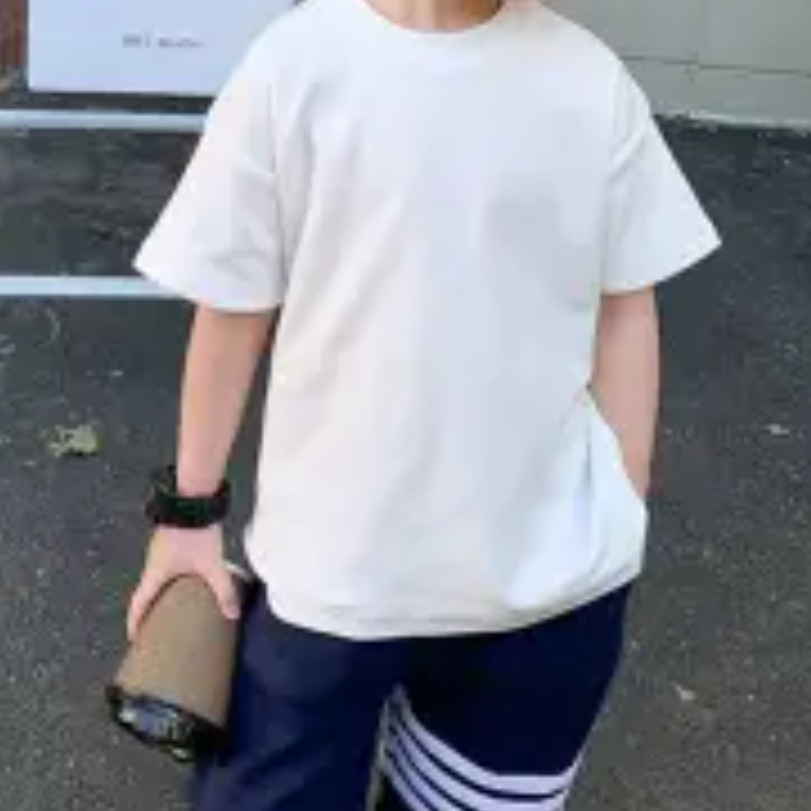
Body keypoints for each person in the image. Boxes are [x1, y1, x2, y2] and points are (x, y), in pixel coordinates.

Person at [128, 0, 721, 809]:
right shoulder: (293, 68)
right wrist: (188, 514)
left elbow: (625, 302)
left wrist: (624, 497)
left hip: (543, 588)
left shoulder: (588, 80)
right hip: (328, 579)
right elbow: (234, 305)